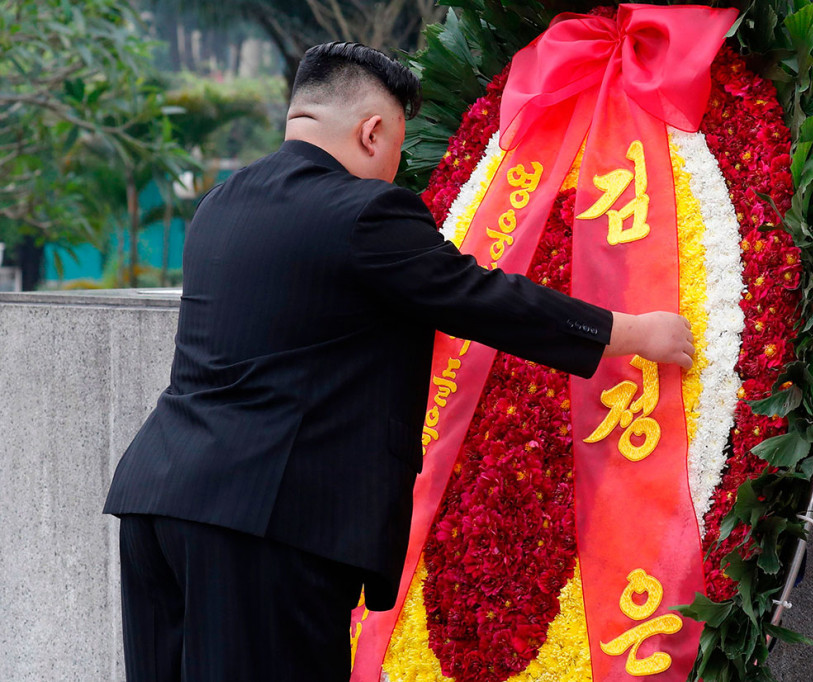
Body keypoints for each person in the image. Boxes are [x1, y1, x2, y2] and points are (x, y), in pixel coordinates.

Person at [103, 42, 695, 681]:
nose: (395, 170)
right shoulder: (363, 211)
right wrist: (631, 331)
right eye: (397, 148)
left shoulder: (221, 203)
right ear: (371, 132)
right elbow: (480, 297)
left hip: (157, 500)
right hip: (262, 523)